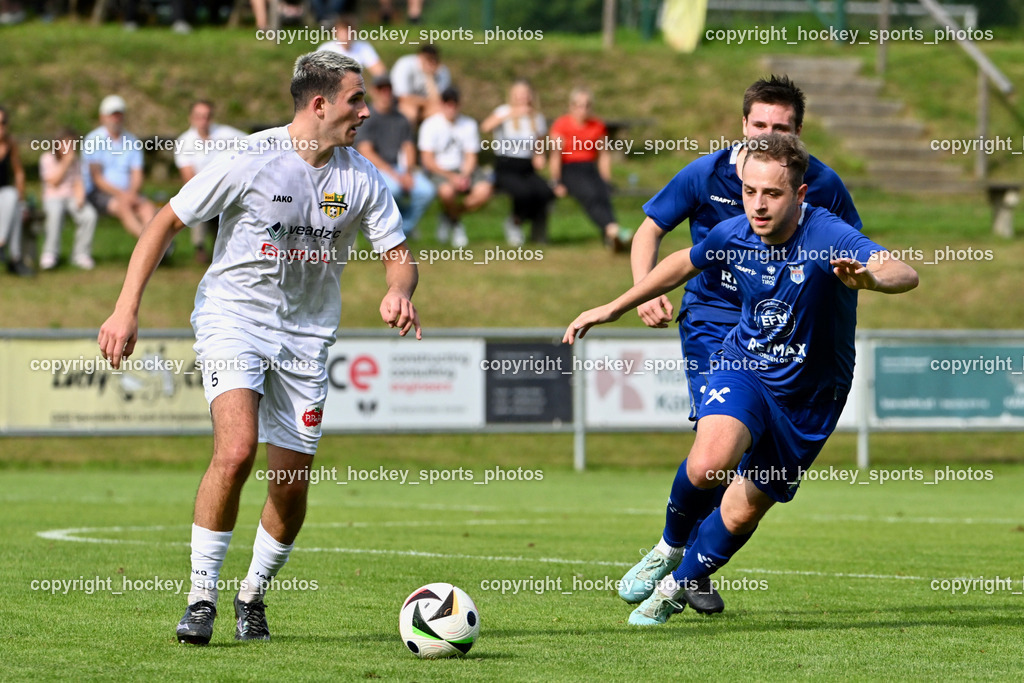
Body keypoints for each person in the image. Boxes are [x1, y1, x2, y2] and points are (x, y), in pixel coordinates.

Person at [97, 51, 421, 645]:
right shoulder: (249, 158)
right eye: (356, 100)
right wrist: (126, 307)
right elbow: (164, 222)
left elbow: (398, 256)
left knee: (290, 481)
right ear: (319, 104)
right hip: (233, 319)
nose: (367, 111)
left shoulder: (362, 177)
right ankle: (200, 597)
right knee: (237, 448)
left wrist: (399, 291)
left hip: (306, 337)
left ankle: (253, 594)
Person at [564, 132, 918, 626]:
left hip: (812, 396)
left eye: (772, 194)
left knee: (740, 511)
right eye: (750, 191)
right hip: (745, 365)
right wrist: (612, 306)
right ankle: (668, 547)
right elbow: (679, 264)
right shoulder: (734, 232)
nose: (758, 204)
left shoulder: (827, 233)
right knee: (710, 460)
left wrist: (871, 278)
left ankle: (677, 586)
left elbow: (903, 271)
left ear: (799, 195)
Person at [627, 74, 862, 615]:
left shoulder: (822, 186)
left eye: (781, 128)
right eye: (760, 126)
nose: (769, 137)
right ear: (743, 126)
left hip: (788, 332)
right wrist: (641, 293)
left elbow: (856, 260)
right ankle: (678, 557)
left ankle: (693, 569)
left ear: (799, 134)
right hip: (715, 320)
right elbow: (649, 230)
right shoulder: (705, 172)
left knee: (750, 476)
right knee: (717, 451)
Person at [549, 87, 631, 251]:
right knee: (590, 194)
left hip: (589, 168)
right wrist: (556, 181)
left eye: (587, 105)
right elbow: (555, 155)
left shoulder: (597, 126)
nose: (583, 109)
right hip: (570, 169)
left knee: (603, 194)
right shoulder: (561, 125)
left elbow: (603, 155)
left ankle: (610, 235)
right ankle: (613, 230)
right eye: (579, 105)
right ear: (571, 106)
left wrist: (606, 180)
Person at [355, 74, 435, 240]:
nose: (385, 93)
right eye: (381, 89)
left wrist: (407, 172)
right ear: (373, 92)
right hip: (372, 168)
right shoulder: (366, 117)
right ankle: (385, 231)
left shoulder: (401, 119)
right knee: (393, 190)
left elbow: (408, 147)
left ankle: (403, 229)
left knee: (426, 191)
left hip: (398, 168)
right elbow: (366, 152)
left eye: (388, 89)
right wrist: (395, 175)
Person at [481, 79, 554, 246]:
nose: (523, 98)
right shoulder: (503, 111)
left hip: (526, 167)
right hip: (506, 165)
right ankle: (514, 223)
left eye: (526, 94)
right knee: (523, 193)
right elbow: (485, 127)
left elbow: (539, 145)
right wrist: (513, 113)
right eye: (519, 94)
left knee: (545, 192)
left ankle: (534, 226)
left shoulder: (536, 117)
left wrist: (540, 156)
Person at [418, 86, 492, 248]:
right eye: (447, 103)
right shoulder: (430, 125)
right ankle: (456, 224)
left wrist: (464, 175)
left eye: (454, 103)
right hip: (440, 169)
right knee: (447, 192)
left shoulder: (469, 124)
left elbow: (471, 155)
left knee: (485, 191)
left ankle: (450, 215)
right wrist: (451, 176)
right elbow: (427, 160)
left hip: (463, 169)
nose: (451, 107)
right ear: (442, 104)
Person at [174, 100, 246, 263]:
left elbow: (254, 145)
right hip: (200, 189)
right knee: (195, 201)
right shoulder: (184, 141)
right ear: (191, 118)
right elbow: (188, 176)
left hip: (228, 189)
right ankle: (200, 247)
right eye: (199, 116)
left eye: (207, 116)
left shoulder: (227, 134)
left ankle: (228, 249)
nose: (203, 120)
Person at [83, 95, 158, 240]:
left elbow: (137, 174)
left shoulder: (132, 141)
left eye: (119, 114)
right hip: (100, 193)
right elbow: (97, 178)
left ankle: (154, 247)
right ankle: (152, 245)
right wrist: (123, 195)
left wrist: (132, 193)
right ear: (103, 117)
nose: (116, 119)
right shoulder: (93, 140)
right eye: (112, 115)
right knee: (124, 207)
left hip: (129, 192)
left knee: (147, 208)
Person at [39, 128, 99, 270]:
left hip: (71, 197)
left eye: (72, 144)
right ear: (58, 144)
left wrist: (80, 197)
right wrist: (66, 162)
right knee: (55, 213)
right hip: (53, 197)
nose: (70, 147)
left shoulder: (76, 160)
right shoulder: (47, 158)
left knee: (89, 215)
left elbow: (78, 181)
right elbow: (53, 181)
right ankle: (50, 253)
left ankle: (81, 254)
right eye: (66, 143)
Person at [0, 105, 30, 276]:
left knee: (15, 201)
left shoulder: (11, 144)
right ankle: (15, 259)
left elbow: (19, 172)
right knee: (14, 207)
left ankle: (2, 244)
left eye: (3, 122)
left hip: (4, 196)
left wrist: (23, 199)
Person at [390, 44, 451, 127]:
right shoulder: (404, 65)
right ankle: (407, 139)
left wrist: (430, 77)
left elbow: (439, 101)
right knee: (410, 112)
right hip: (400, 105)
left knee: (440, 113)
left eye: (434, 60)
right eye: (428, 59)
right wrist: (428, 102)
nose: (431, 63)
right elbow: (403, 98)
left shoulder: (442, 72)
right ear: (420, 57)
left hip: (425, 107)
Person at [317, 14, 387, 78]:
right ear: (335, 32)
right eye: (343, 31)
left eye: (349, 31)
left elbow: (380, 72)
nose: (346, 35)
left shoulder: (363, 47)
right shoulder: (325, 49)